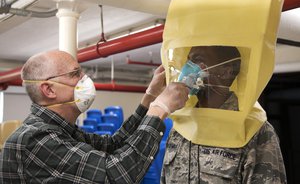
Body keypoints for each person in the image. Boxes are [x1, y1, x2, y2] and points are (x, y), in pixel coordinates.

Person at [0, 50, 189, 183]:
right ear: (49, 89)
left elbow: (114, 144)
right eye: (75, 74)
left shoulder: (61, 130)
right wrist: (159, 109)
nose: (85, 79)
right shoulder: (37, 139)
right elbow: (115, 176)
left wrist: (150, 97)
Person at [161, 46, 286, 184]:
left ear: (227, 71)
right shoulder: (181, 126)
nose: (187, 68)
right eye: (188, 60)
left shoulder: (253, 130)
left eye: (197, 60)